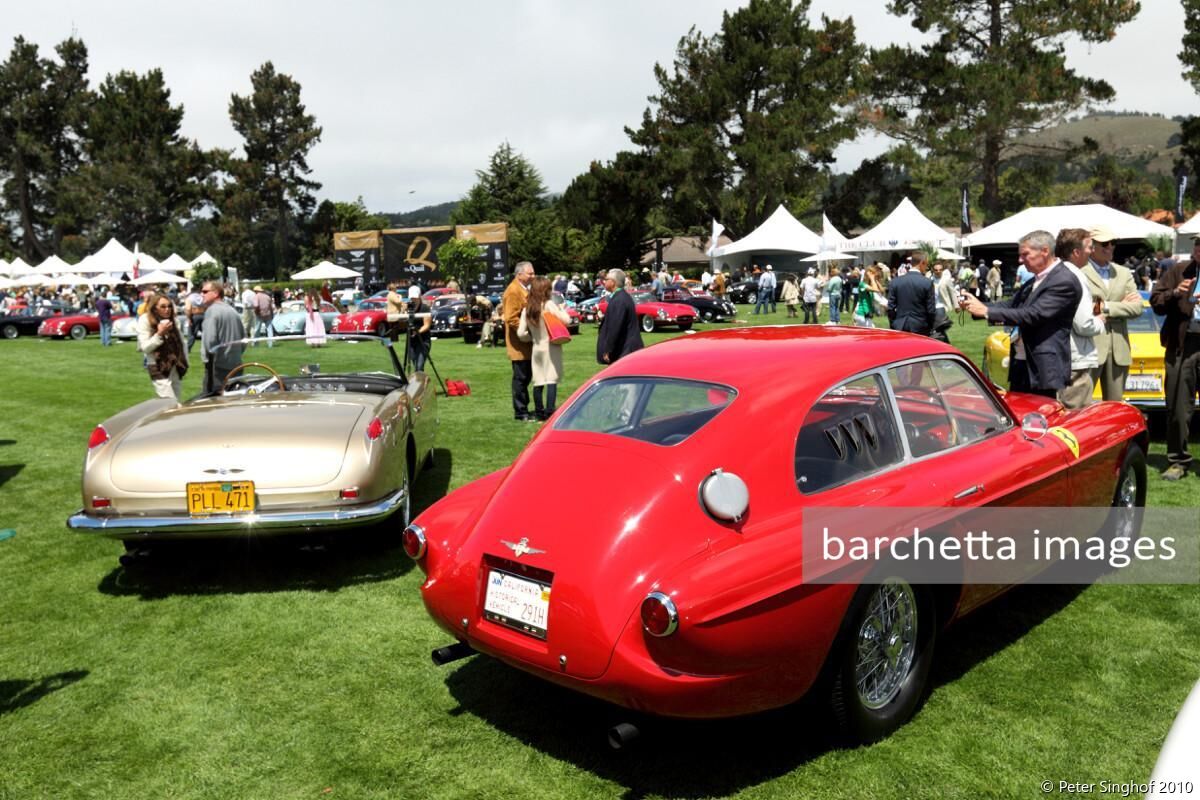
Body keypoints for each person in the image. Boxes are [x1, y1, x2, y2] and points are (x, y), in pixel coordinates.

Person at [962, 230, 1082, 398]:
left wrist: (987, 311)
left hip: (1042, 368)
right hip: (1022, 362)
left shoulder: (1063, 281)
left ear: (1045, 251)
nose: (1020, 260)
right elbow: (1012, 305)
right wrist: (975, 304)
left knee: (1039, 418)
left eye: (1025, 254)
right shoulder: (1036, 279)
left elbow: (1034, 315)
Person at [1150, 236, 1200, 480]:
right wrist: (1173, 293)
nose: (1199, 250)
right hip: (1183, 345)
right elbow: (1156, 303)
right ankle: (1178, 461)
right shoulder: (1178, 271)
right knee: (1178, 406)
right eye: (1198, 245)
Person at [1084, 225, 1143, 401]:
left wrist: (1106, 307)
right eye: (1105, 243)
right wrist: (1120, 306)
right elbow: (1085, 307)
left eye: (1113, 243)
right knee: (1079, 407)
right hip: (1089, 348)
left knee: (1115, 408)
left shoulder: (1123, 273)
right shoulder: (1079, 271)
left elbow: (1137, 307)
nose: (1110, 247)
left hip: (1119, 349)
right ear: (1091, 246)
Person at [1052, 228, 1105, 410]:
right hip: (1075, 361)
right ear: (1076, 252)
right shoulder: (1076, 277)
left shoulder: (1056, 272)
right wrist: (1100, 320)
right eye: (1089, 247)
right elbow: (1083, 324)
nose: (1092, 251)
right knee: (1075, 421)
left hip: (1059, 356)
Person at [517, 277, 570, 420]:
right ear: (545, 290)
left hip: (537, 347)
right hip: (551, 346)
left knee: (539, 380)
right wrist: (561, 309)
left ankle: (539, 411)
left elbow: (521, 333)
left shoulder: (527, 309)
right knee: (551, 379)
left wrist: (532, 338)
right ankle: (550, 411)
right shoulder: (549, 305)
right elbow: (567, 320)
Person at [137, 291, 189, 403]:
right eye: (163, 307)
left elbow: (181, 342)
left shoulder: (174, 320)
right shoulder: (145, 320)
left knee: (178, 402)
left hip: (175, 365)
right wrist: (160, 334)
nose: (167, 309)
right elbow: (145, 347)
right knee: (169, 403)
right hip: (158, 366)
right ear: (155, 308)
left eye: (169, 306)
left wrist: (185, 361)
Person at [503, 261, 537, 421]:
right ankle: (520, 411)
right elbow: (510, 317)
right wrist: (526, 330)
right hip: (519, 344)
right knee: (521, 378)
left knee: (526, 377)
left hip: (528, 344)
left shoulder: (524, 289)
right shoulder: (513, 291)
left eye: (533, 273)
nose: (533, 276)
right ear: (519, 274)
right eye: (530, 273)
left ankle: (524, 409)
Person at [199, 281, 245, 394]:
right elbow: (244, 339)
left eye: (205, 291)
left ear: (215, 293)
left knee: (211, 403)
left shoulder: (212, 311)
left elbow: (210, 341)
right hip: (236, 365)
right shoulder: (232, 311)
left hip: (217, 368)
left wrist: (209, 361)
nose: (201, 294)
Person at [596, 267, 643, 364]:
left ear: (613, 282)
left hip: (624, 351)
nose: (604, 282)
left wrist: (608, 349)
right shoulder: (621, 297)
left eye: (606, 279)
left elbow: (615, 327)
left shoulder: (619, 300)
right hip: (625, 349)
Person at [887, 252, 936, 336]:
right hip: (920, 326)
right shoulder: (927, 283)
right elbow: (931, 310)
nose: (926, 268)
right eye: (926, 265)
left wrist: (894, 323)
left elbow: (890, 308)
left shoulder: (895, 282)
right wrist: (930, 326)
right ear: (922, 263)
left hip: (899, 325)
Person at [405, 285, 433, 371]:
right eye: (412, 298)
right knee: (415, 364)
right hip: (412, 342)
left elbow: (427, 325)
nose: (413, 300)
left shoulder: (424, 308)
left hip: (423, 340)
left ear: (419, 296)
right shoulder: (408, 308)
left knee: (419, 366)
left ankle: (420, 381)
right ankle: (417, 382)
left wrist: (417, 332)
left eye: (415, 298)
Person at [184, 285, 205, 352]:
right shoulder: (202, 297)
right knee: (205, 333)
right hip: (203, 314)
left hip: (194, 315)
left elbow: (188, 309)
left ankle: (187, 348)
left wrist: (189, 318)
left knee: (192, 334)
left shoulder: (189, 298)